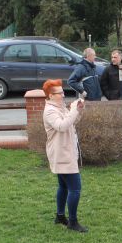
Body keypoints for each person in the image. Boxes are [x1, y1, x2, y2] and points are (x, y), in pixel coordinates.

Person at [42, 79, 87, 233]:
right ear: (50, 95)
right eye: (59, 93)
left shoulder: (59, 107)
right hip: (62, 154)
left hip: (65, 152)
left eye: (62, 92)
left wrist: (78, 110)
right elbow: (61, 126)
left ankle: (60, 216)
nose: (63, 95)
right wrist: (73, 109)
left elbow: (71, 123)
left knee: (63, 186)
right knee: (75, 189)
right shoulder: (50, 111)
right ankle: (72, 222)